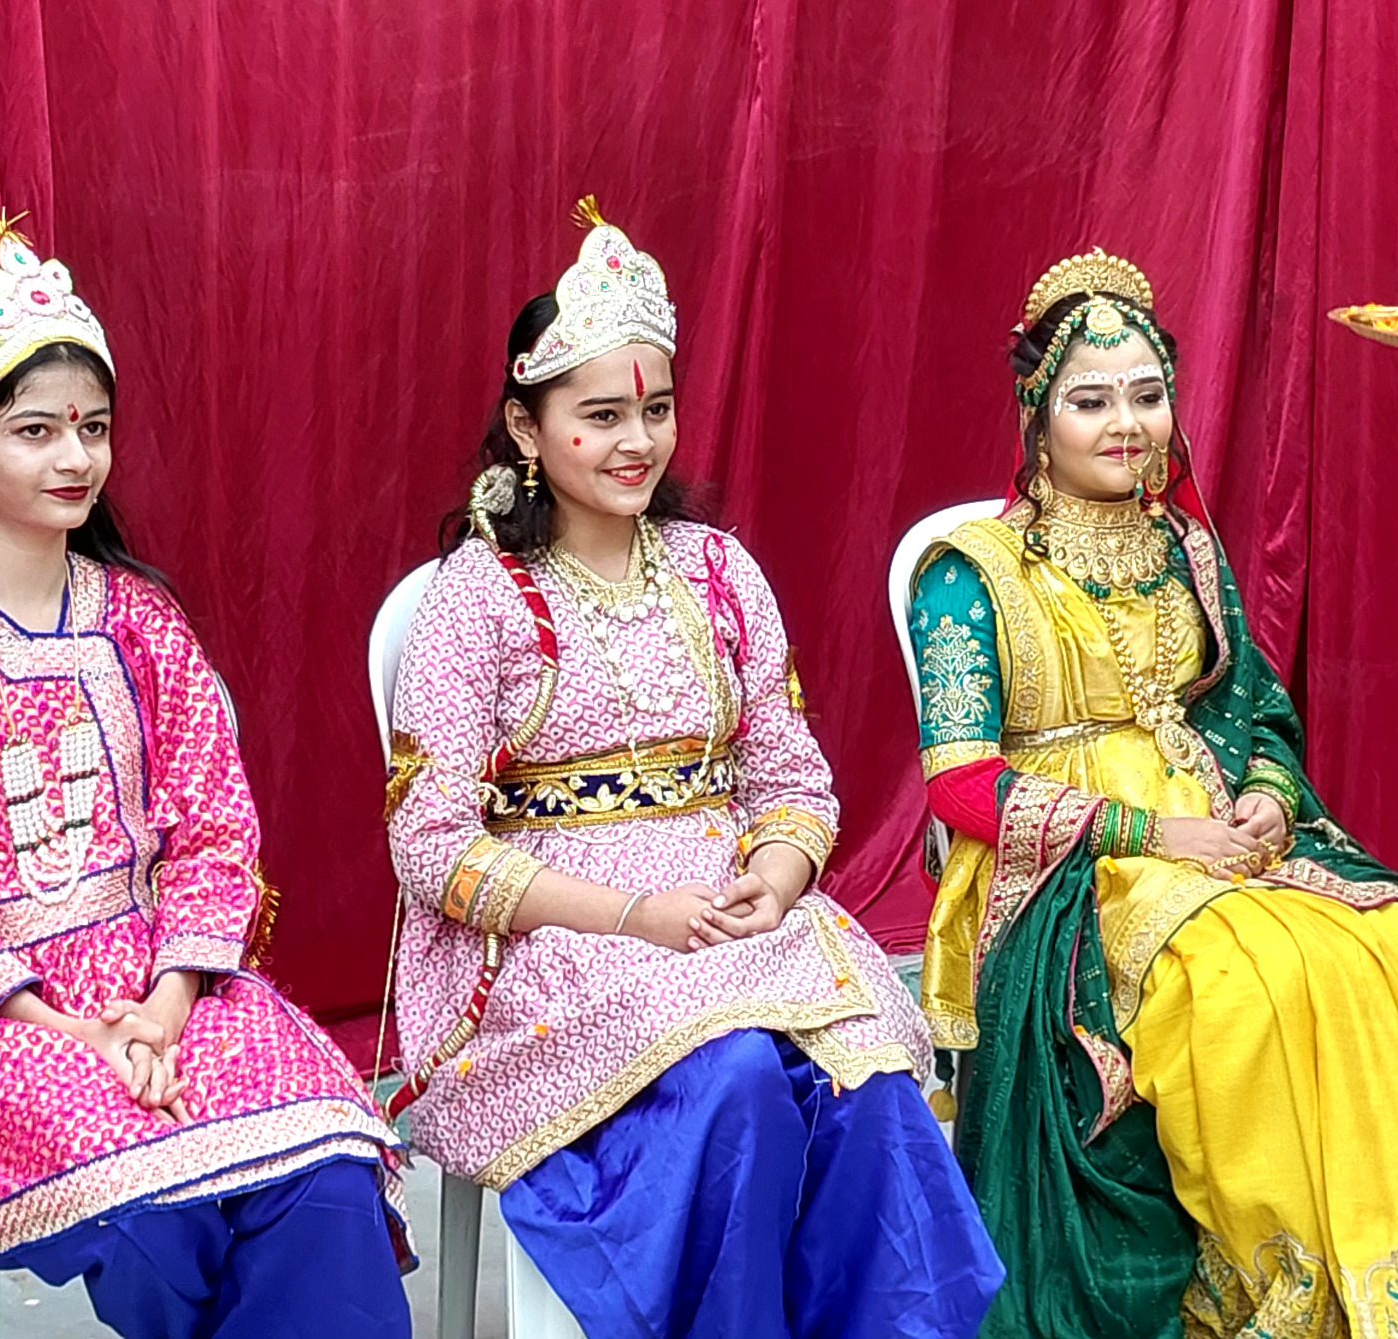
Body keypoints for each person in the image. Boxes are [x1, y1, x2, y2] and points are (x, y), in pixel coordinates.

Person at [914, 251, 1398, 1339]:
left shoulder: (1186, 546)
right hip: (1075, 860)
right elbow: (960, 781)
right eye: (1090, 401)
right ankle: (1291, 1282)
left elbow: (1255, 708)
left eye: (1147, 395)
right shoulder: (969, 571)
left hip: (1219, 824)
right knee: (1237, 982)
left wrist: (1267, 789)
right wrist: (1151, 831)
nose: (1127, 425)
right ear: (1037, 415)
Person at [384, 204, 998, 1339]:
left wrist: (779, 873)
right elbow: (430, 848)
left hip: (726, 906)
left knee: (867, 1084)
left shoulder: (718, 571)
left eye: (656, 409)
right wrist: (636, 916)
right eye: (601, 415)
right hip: (557, 935)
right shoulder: (478, 596)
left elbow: (792, 777)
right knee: (741, 1081)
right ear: (525, 427)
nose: (638, 442)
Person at [0, 226, 403, 1336]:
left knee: (323, 1162)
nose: (75, 458)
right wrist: (73, 1032)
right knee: (154, 1201)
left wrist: (166, 1004)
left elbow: (216, 832)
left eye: (91, 428)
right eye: (35, 430)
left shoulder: (141, 617)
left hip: (164, 981)